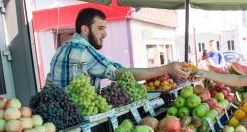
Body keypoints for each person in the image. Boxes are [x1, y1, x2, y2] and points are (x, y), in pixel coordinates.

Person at [46, 8, 188, 88]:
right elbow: (119, 73)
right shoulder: (82, 51)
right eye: (100, 28)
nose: (105, 34)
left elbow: (49, 83)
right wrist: (165, 69)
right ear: (85, 29)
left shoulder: (62, 48)